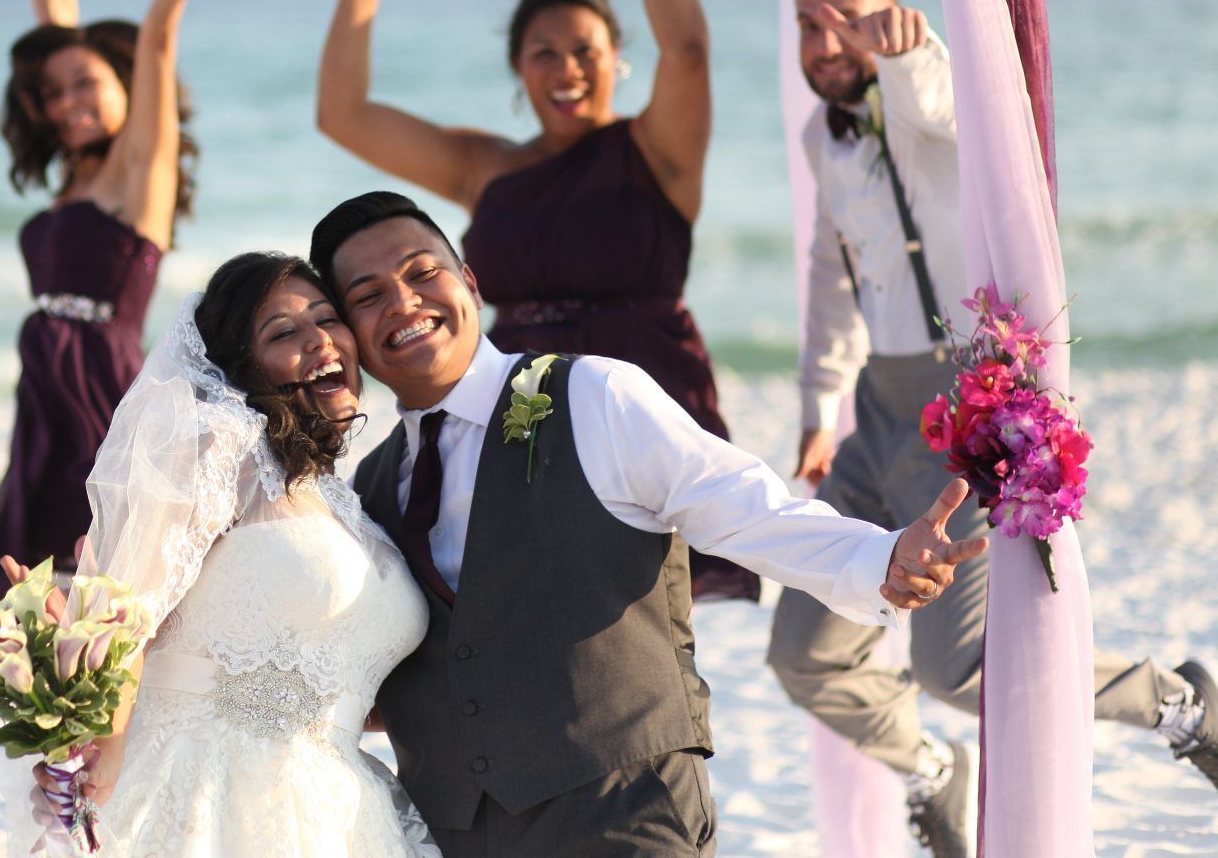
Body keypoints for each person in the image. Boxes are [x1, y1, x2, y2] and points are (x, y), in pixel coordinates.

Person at [310, 190, 985, 857]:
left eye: (423, 271)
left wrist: (881, 559)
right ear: (344, 334)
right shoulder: (369, 489)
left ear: (470, 281)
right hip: (453, 833)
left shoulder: (594, 395)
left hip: (626, 814)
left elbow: (743, 507)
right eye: (367, 296)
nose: (402, 302)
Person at [766, 0, 1218, 856]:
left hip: (959, 406)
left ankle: (1178, 702)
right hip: (874, 408)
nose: (826, 40)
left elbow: (957, 112)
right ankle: (933, 769)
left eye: (849, 18)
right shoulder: (824, 135)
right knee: (805, 654)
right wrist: (819, 406)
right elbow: (830, 274)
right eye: (810, 23)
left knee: (962, 666)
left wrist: (913, 46)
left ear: (888, 17)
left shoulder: (928, 102)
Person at [316, 0, 756, 601]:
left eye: (585, 49)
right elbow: (342, 115)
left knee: (659, 616)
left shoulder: (657, 151)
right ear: (518, 69)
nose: (567, 68)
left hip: (646, 401)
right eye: (543, 52)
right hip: (520, 413)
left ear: (617, 56)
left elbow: (689, 49)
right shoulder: (485, 165)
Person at [53, 252, 438, 856]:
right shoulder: (218, 448)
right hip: (207, 792)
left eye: (328, 319)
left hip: (339, 810)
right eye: (284, 333)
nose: (320, 342)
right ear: (240, 367)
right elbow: (122, 613)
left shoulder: (344, 501)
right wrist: (104, 751)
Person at [0, 0, 203, 620]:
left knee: (91, 560)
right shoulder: (76, 180)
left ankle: (90, 708)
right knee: (31, 571)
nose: (69, 103)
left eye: (87, 84)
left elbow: (157, 41)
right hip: (44, 391)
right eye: (55, 92)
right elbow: (56, 25)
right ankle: (50, 710)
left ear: (128, 84)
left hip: (99, 386)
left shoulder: (141, 176)